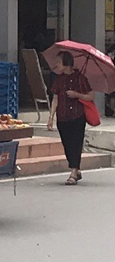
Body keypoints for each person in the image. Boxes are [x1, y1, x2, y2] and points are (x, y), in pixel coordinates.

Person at [47, 50, 94, 184]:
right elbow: (55, 98)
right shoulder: (58, 79)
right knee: (67, 144)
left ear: (67, 63)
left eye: (59, 62)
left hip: (77, 116)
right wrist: (51, 117)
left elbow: (91, 96)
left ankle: (73, 171)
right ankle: (76, 169)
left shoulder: (81, 78)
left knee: (76, 143)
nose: (56, 65)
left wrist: (77, 95)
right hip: (62, 116)